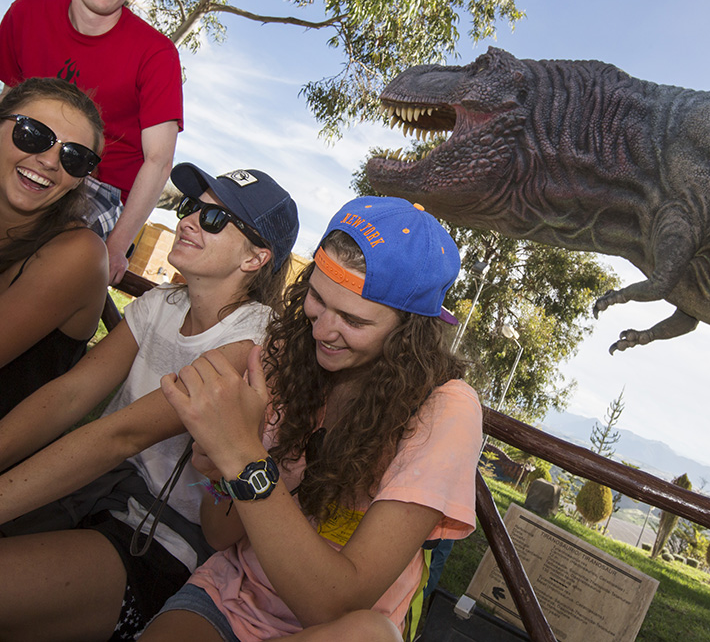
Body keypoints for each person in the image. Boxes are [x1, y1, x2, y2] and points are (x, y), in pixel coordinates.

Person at [0, 163, 299, 641]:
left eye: (212, 218)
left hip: (157, 535)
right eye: (190, 207)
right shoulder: (161, 305)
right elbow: (67, 396)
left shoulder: (257, 340)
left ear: (255, 259)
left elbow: (120, 434)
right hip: (81, 494)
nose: (187, 220)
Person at [140, 196, 482, 641]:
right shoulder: (290, 356)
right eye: (317, 299)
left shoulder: (446, 408)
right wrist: (222, 465)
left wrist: (245, 459)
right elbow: (219, 532)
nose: (320, 330)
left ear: (408, 333)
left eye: (353, 320)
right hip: (231, 596)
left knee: (369, 634)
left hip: (333, 630)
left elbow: (331, 609)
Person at [0, 77, 108, 474]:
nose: (49, 160)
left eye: (74, 157)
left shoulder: (77, 256)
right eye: (33, 135)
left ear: (80, 176)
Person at [0, 0, 183, 283]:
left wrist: (116, 247)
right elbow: (8, 103)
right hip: (23, 158)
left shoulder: (157, 54)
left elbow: (158, 160)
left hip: (94, 186)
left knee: (46, 255)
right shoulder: (25, 14)